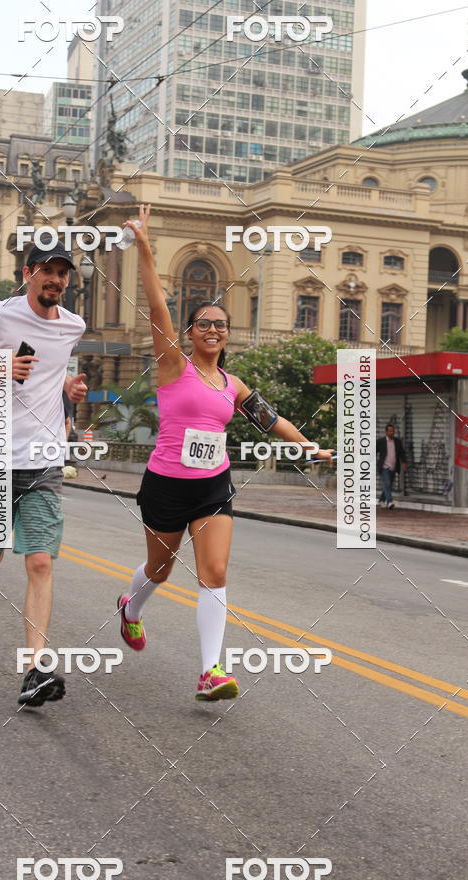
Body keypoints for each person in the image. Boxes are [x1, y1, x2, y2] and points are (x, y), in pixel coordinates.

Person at [116, 205, 335, 702]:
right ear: (191, 333)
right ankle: (130, 608)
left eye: (221, 324)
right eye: (203, 323)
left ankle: (211, 671)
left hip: (213, 486)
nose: (213, 329)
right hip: (166, 485)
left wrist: (307, 445)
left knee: (214, 572)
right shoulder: (173, 366)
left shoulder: (233, 384)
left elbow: (269, 418)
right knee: (161, 568)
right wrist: (146, 246)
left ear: (227, 334)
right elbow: (156, 307)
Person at [0, 240, 88, 707]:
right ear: (28, 273)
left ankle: (34, 670)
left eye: (63, 273)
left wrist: (70, 385)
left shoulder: (73, 326)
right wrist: (1, 365)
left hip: (45, 459)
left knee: (40, 561)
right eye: (47, 270)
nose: (56, 280)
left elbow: (51, 372)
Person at [376, 423, 407, 509]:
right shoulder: (380, 441)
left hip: (393, 467)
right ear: (386, 432)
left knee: (388, 485)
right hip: (384, 467)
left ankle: (381, 500)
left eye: (393, 431)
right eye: (389, 431)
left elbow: (402, 452)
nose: (391, 432)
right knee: (387, 483)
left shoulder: (397, 442)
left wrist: (404, 462)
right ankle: (390, 502)